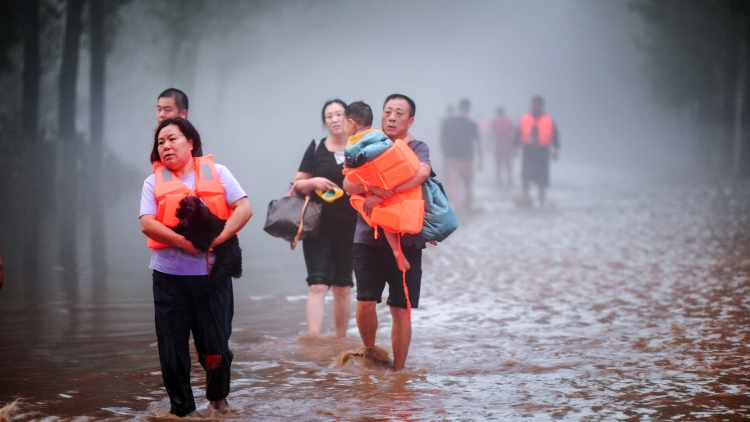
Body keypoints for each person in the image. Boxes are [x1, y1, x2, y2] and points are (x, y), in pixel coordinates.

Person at [139, 117, 252, 416]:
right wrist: (182, 242)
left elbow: (244, 208)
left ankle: (218, 401)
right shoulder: (153, 182)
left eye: (172, 139)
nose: (166, 146)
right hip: (168, 281)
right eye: (160, 142)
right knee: (172, 352)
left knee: (216, 349)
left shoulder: (219, 173)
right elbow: (147, 223)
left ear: (191, 143)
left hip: (212, 279)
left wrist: (219, 238)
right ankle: (183, 411)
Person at [343, 94, 432, 370]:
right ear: (381, 117)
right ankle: (369, 352)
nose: (392, 117)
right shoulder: (369, 143)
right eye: (388, 112)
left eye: (399, 113)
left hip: (407, 238)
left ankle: (399, 371)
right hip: (368, 236)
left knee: (400, 309)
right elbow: (348, 184)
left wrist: (386, 193)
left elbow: (422, 173)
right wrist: (372, 189)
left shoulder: (418, 147)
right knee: (366, 301)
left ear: (410, 120)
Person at [293, 99, 357, 338]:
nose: (334, 119)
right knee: (317, 285)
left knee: (342, 287)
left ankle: (340, 339)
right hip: (317, 226)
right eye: (329, 116)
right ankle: (313, 340)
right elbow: (297, 183)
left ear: (348, 118)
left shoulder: (359, 146)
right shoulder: (316, 147)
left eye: (339, 114)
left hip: (350, 226)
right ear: (325, 121)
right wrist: (313, 182)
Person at [343, 101, 412, 270]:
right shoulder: (376, 134)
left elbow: (349, 167)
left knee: (382, 217)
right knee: (386, 217)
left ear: (351, 123)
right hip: (381, 183)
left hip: (378, 183)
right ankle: (399, 249)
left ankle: (396, 250)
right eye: (388, 112)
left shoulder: (355, 141)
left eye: (344, 122)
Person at [514, 96, 560, 208]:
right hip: (528, 151)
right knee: (526, 177)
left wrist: (555, 149)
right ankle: (526, 198)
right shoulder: (525, 118)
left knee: (542, 180)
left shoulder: (548, 119)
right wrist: (515, 147)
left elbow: (555, 135)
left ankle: (542, 202)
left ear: (542, 106)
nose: (537, 107)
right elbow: (517, 132)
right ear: (532, 105)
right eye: (535, 105)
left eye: (539, 105)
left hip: (543, 152)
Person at [440, 98, 481, 213]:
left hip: (451, 157)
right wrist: (481, 158)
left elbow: (442, 139)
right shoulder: (471, 124)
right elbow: (478, 142)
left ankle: (456, 206)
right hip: (467, 157)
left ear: (459, 108)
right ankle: (468, 205)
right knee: (467, 183)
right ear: (468, 109)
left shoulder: (449, 123)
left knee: (453, 182)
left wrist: (444, 153)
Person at [490, 107, 516, 187]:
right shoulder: (509, 121)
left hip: (498, 146)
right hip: (508, 146)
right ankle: (509, 179)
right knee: (508, 164)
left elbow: (491, 133)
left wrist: (489, 145)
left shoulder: (495, 121)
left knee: (499, 164)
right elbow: (513, 132)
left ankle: (499, 180)